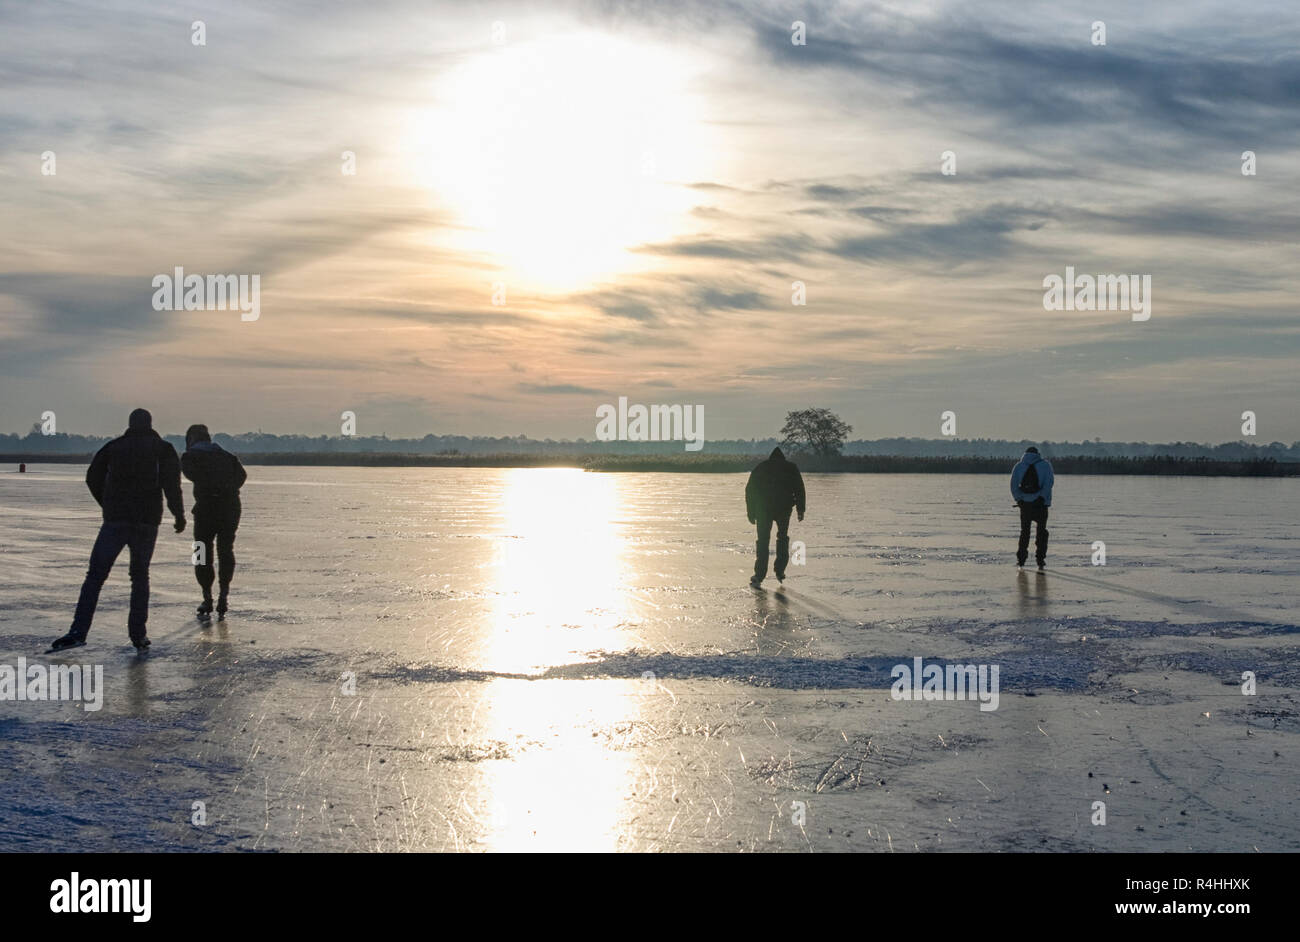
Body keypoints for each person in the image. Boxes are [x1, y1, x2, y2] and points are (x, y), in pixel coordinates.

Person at [52, 408, 185, 651]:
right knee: (139, 576)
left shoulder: (114, 447)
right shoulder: (163, 449)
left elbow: (92, 476)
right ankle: (138, 635)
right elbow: (172, 485)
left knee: (95, 577)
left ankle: (78, 631)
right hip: (146, 521)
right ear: (150, 424)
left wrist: (107, 502)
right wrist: (179, 514)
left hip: (115, 520)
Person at [181, 424, 246, 618]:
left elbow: (191, 474)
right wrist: (226, 488)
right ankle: (223, 594)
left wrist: (211, 488)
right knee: (226, 550)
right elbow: (241, 476)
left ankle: (207, 596)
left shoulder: (191, 456)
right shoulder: (227, 456)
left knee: (201, 550)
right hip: (230, 508)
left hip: (206, 509)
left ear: (191, 439)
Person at [745, 446, 806, 588]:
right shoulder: (791, 468)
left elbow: (750, 490)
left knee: (763, 541)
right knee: (782, 537)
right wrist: (800, 509)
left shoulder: (761, 467)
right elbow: (799, 489)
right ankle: (780, 570)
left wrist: (751, 512)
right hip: (784, 509)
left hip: (763, 510)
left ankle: (759, 575)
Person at [1010, 446, 1054, 570]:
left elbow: (1013, 485)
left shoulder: (1018, 466)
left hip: (1025, 505)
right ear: (1037, 454)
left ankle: (1021, 560)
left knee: (1025, 532)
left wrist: (1019, 499)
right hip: (1041, 505)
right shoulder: (1045, 465)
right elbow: (1049, 483)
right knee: (1041, 532)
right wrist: (1041, 498)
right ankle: (1040, 559)